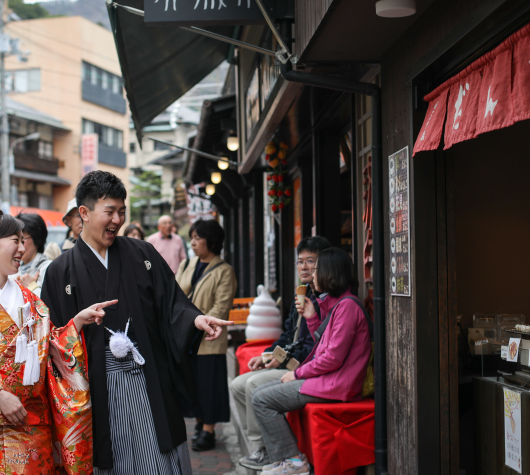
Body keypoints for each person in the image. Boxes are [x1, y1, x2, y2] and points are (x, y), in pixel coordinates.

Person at [41, 171, 232, 475]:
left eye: (122, 211)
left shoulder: (142, 253)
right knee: (106, 455)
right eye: (109, 212)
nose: (117, 220)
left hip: (147, 375)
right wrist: (76, 323)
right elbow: (49, 338)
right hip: (94, 385)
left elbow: (172, 301)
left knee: (156, 453)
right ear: (85, 213)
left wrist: (195, 318)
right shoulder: (59, 271)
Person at [0, 209, 113, 475]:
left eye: (22, 240)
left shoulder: (30, 300)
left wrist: (77, 323)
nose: (22, 247)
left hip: (35, 429)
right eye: (15, 240)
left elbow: (49, 348)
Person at [252, 248, 373, 475]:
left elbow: (332, 358)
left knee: (262, 399)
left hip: (337, 385)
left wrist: (297, 374)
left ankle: (293, 461)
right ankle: (287, 459)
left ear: (330, 272)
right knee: (261, 392)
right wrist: (312, 318)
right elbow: (327, 348)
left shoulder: (347, 306)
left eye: (316, 270)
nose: (312, 275)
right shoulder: (339, 304)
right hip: (330, 380)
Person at [233, 235, 331, 470]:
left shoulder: (326, 300)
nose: (304, 267)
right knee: (237, 385)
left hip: (303, 368)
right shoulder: (302, 293)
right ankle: (259, 448)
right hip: (290, 363)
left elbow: (311, 351)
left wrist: (279, 360)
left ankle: (267, 450)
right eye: (300, 261)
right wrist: (267, 355)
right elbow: (288, 336)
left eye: (311, 261)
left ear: (324, 265)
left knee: (253, 385)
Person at [175, 219, 237, 451]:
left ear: (211, 240)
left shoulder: (224, 271)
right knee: (192, 386)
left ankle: (209, 431)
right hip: (185, 337)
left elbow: (221, 307)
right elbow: (175, 296)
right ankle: (200, 424)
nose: (192, 242)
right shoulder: (186, 265)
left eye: (197, 237)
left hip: (210, 338)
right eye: (191, 237)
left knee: (209, 386)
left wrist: (200, 324)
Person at [15, 212, 52, 297]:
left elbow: (52, 304)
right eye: (16, 240)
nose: (19, 246)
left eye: (23, 240)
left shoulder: (48, 268)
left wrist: (32, 286)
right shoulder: (14, 268)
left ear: (37, 238)